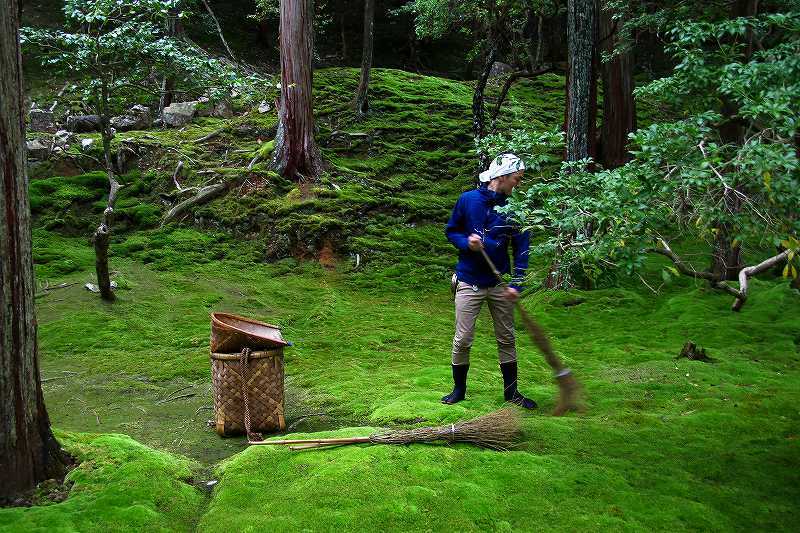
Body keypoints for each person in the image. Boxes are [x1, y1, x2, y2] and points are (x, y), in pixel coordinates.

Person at [441, 153, 537, 409]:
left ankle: (511, 393)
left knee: (506, 338)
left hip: (498, 285)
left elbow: (522, 249)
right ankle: (458, 390)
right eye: (516, 179)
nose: (518, 184)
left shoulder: (514, 211)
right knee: (463, 340)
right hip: (468, 281)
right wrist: (466, 243)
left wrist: (517, 283)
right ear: (502, 176)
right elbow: (452, 230)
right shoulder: (468, 200)